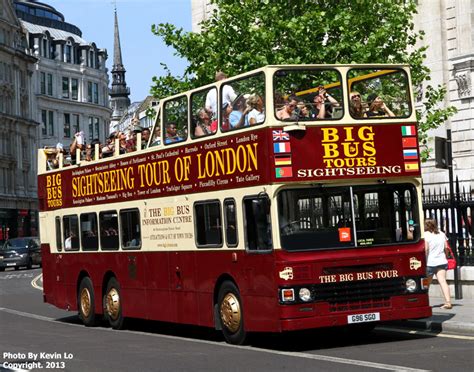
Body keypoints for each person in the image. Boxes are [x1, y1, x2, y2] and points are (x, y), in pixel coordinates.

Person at [424, 218, 452, 309]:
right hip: (442, 261)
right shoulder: (441, 234)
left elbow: (426, 249)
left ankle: (424, 303)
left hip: (430, 262)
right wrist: (446, 257)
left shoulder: (425, 235)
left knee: (426, 285)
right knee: (443, 282)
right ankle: (448, 302)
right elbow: (446, 248)